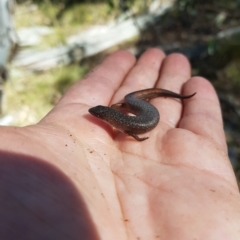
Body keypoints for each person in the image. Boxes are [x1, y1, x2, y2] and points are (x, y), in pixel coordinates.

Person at [1, 48, 240, 240]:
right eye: (99, 113)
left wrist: (138, 135)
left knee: (133, 101)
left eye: (98, 114)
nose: (95, 114)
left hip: (146, 113)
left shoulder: (126, 125)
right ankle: (134, 100)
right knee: (131, 99)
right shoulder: (121, 120)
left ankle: (139, 99)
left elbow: (133, 133)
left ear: (106, 117)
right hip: (140, 110)